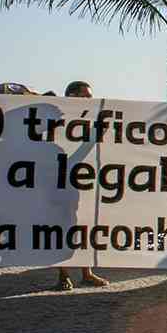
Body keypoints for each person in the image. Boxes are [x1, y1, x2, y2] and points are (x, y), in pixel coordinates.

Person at [55, 81, 109, 291]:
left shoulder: (90, 119)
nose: (89, 100)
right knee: (62, 227)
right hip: (60, 181)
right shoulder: (59, 120)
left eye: (90, 97)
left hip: (84, 180)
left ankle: (87, 272)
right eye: (84, 96)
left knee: (86, 226)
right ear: (71, 96)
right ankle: (63, 274)